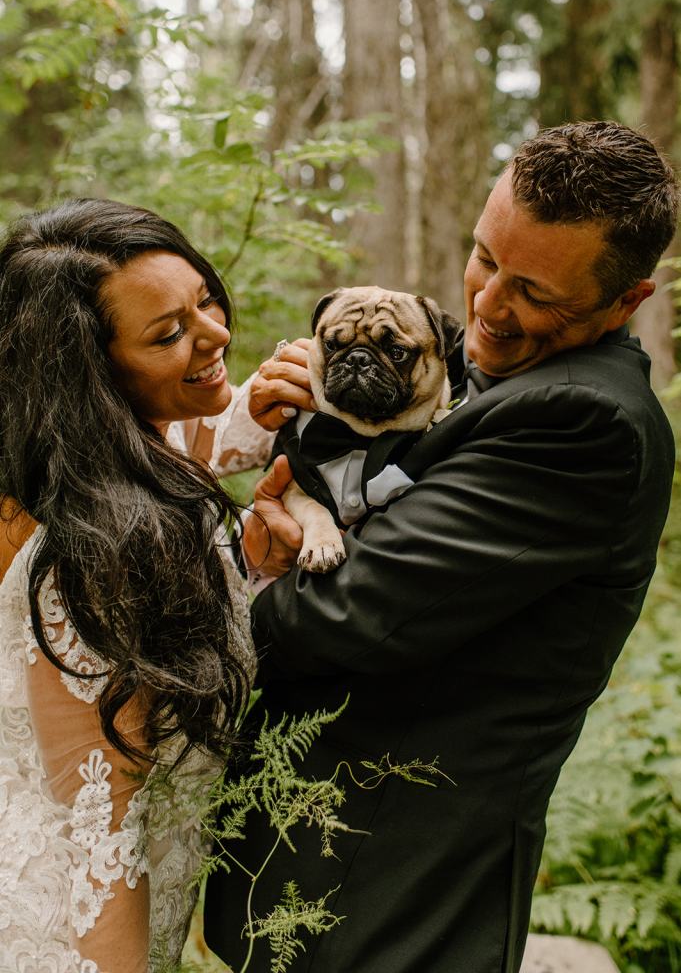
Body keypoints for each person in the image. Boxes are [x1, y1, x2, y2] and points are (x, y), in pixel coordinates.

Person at [204, 121, 679, 973]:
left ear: (625, 301)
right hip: (310, 849)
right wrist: (301, 410)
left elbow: (351, 611)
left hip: (390, 885)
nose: (489, 305)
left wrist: (243, 575)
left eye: (535, 293)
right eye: (484, 258)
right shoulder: (484, 368)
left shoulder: (585, 421)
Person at [0, 198, 283, 972]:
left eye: (205, 299)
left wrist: (253, 570)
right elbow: (103, 832)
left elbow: (205, 440)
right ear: (94, 374)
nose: (218, 334)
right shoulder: (97, 556)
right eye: (169, 334)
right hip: (71, 938)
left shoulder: (132, 475)